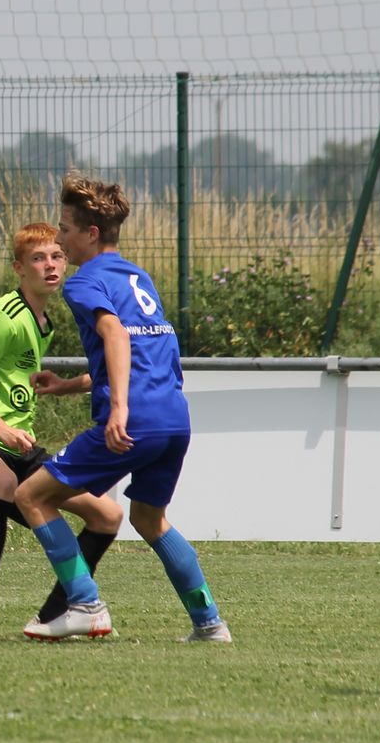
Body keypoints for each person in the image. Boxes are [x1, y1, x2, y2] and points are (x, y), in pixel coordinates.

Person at [13, 171, 231, 643]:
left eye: (64, 229)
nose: (59, 240)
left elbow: (114, 335)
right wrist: (69, 385)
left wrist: (118, 411)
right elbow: (140, 354)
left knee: (31, 496)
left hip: (135, 421)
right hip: (173, 417)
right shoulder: (137, 277)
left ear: (90, 233)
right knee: (149, 519)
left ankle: (85, 605)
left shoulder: (83, 283)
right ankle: (209, 622)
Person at [0, 221, 122, 638]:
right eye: (38, 258)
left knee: (107, 515)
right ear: (19, 268)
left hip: (18, 446)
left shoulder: (44, 324)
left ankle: (56, 612)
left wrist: (61, 388)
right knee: (1, 480)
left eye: (57, 256)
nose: (50, 265)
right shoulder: (4, 315)